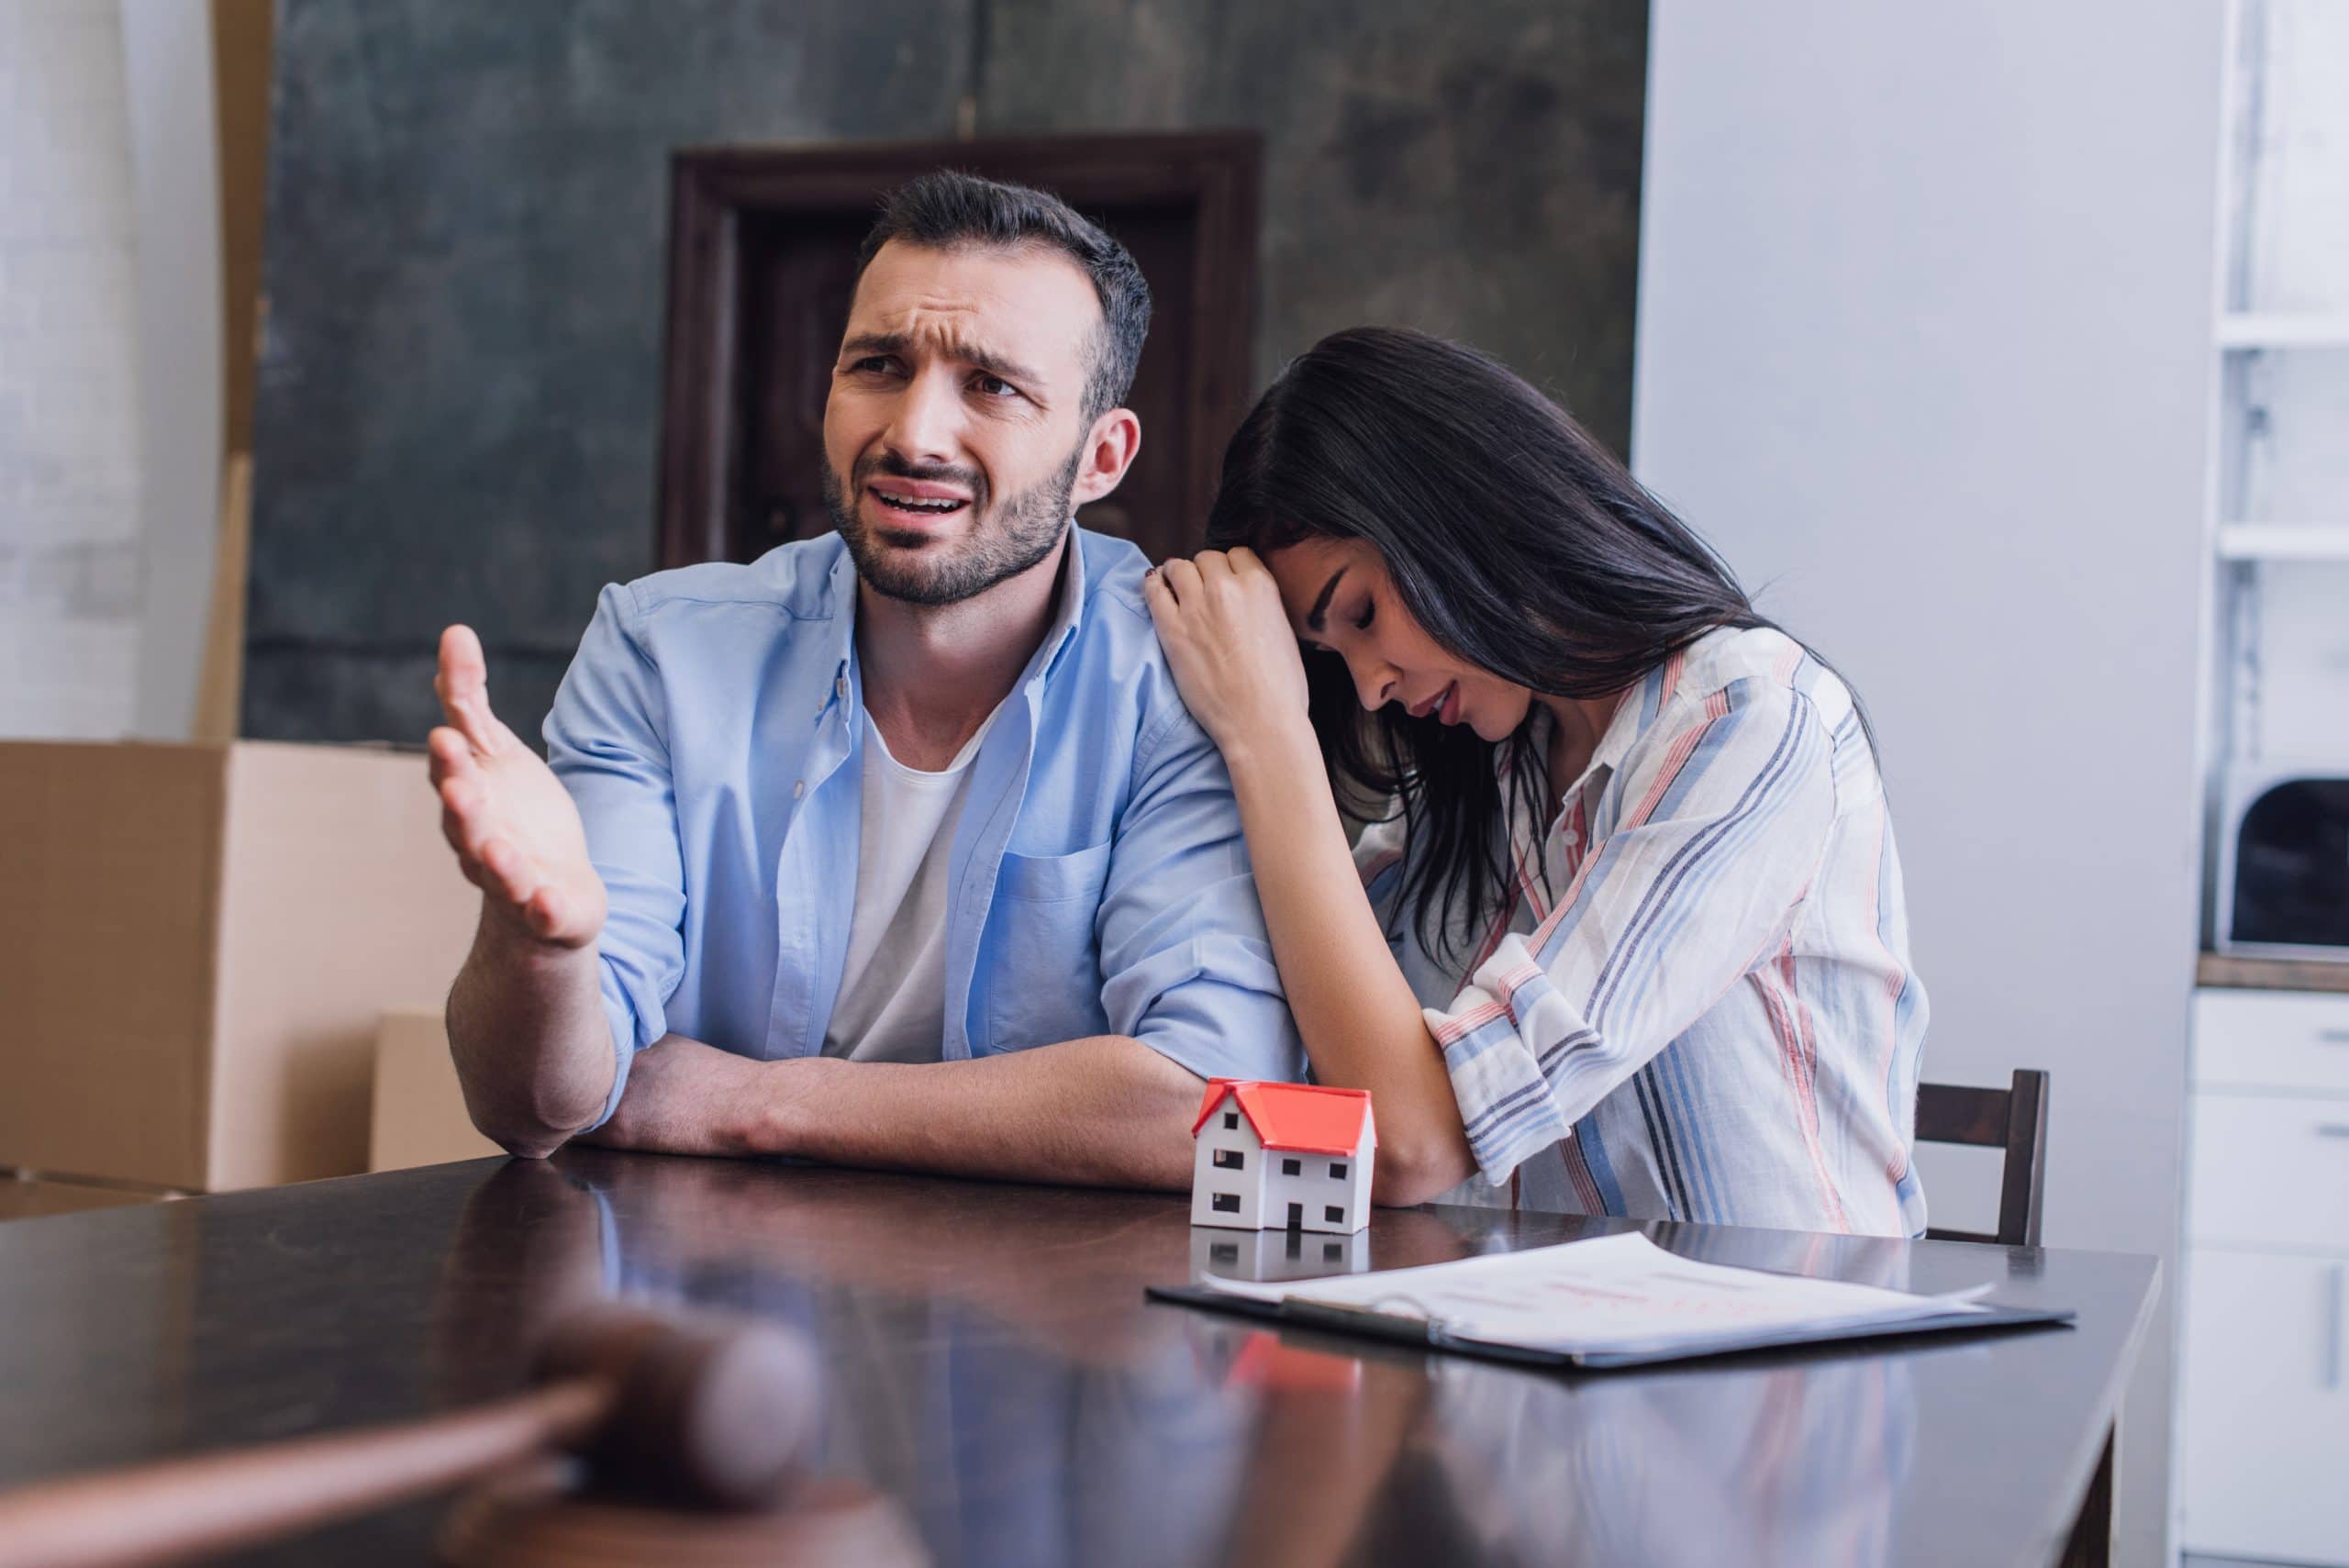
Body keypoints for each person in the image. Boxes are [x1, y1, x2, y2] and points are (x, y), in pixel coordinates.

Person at [427, 172, 1301, 1186]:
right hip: (688, 1317)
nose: (915, 433)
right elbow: (537, 1110)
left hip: (1038, 1313)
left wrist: (758, 1100)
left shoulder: (1179, 676)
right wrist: (546, 951)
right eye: (879, 365)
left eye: (992, 386)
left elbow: (1212, 1101)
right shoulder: (661, 650)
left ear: (1101, 455)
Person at [1145, 327, 1928, 1234]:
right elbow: (1282, 1012)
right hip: (1549, 1335)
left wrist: (1264, 730)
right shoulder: (1495, 769)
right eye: (1327, 652)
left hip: (1777, 1346)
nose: (1368, 687)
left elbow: (1411, 1139)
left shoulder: (1748, 723)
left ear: (1459, 513)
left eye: (1360, 612)